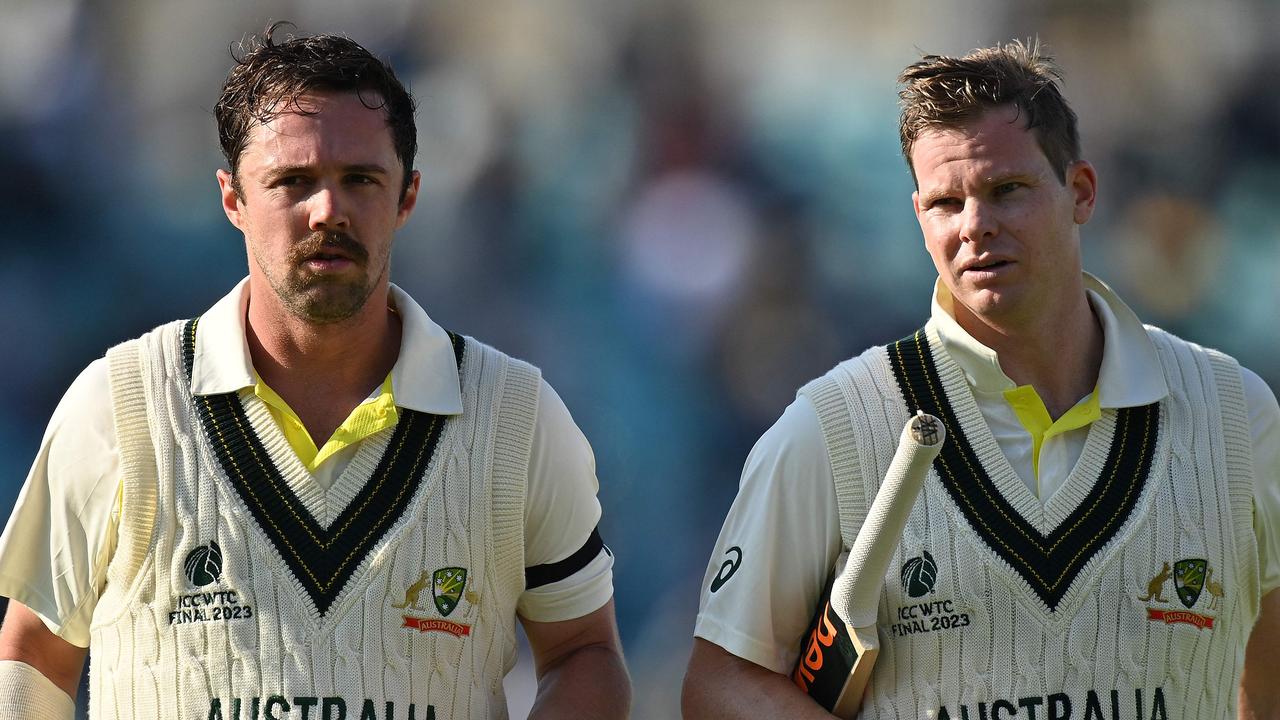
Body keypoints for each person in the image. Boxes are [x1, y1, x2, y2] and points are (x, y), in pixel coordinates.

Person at [0, 24, 630, 720]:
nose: (328, 210)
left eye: (360, 179)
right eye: (292, 181)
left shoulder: (516, 416)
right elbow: (33, 653)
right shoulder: (118, 405)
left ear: (408, 196)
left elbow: (585, 653)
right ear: (232, 199)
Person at [683, 40, 1280, 719]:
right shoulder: (833, 428)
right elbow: (719, 685)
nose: (975, 226)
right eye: (946, 202)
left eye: (1007, 190)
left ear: (1081, 192)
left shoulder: (1235, 413)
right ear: (918, 216)